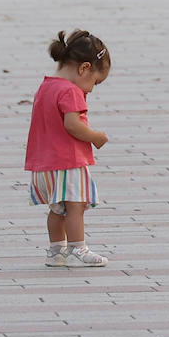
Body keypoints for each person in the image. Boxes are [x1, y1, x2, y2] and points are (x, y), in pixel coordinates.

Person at [25, 29, 112, 268]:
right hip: (68, 161)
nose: (92, 89)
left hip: (45, 162)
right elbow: (72, 124)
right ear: (84, 68)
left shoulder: (46, 86)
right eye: (95, 82)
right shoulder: (71, 91)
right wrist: (95, 137)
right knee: (76, 206)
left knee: (58, 208)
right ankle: (78, 248)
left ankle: (56, 251)